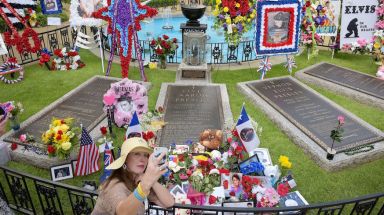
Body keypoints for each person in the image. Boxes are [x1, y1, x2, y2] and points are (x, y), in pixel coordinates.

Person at [92, 137, 174, 215]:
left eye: (145, 155)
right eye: (136, 154)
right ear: (126, 159)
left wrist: (152, 181)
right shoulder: (114, 185)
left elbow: (169, 202)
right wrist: (145, 184)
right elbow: (123, 213)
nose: (142, 159)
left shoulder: (138, 178)